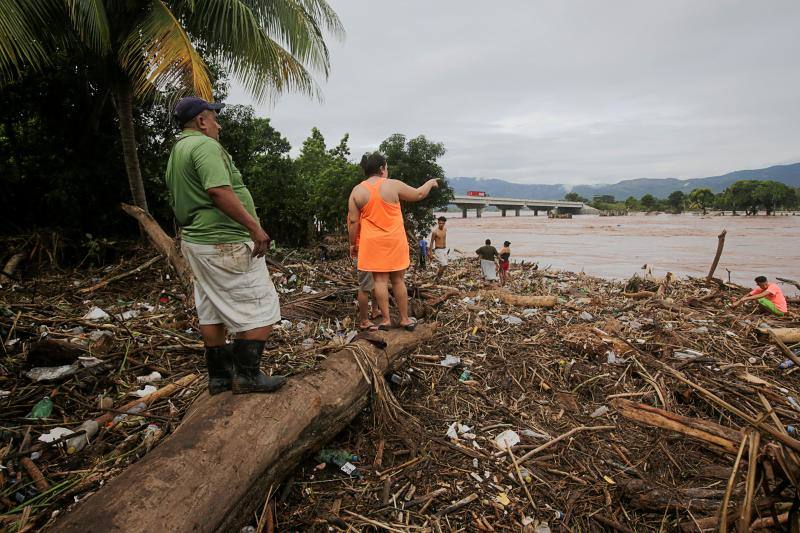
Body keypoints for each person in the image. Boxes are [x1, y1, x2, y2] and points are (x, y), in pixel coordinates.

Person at [165, 96, 285, 396]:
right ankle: (247, 376)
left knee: (211, 309)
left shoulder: (178, 149)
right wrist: (255, 227)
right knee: (264, 308)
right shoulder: (205, 146)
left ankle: (219, 378)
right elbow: (218, 191)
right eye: (214, 117)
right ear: (202, 121)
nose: (218, 124)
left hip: (197, 242)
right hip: (223, 242)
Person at [347, 152, 439, 331]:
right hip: (394, 240)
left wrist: (352, 244)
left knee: (379, 281)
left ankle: (386, 319)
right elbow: (419, 194)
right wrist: (430, 182)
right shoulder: (393, 185)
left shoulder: (357, 191)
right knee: (398, 280)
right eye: (386, 167)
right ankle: (405, 319)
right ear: (382, 168)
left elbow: (353, 222)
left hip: (371, 243)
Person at [430, 216, 448, 281]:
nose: (441, 224)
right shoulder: (435, 232)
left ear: (444, 223)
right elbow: (431, 243)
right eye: (439, 223)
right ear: (438, 223)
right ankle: (437, 278)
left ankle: (439, 277)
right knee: (444, 264)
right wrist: (430, 253)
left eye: (442, 223)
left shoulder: (445, 229)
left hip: (444, 249)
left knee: (445, 265)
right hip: (438, 250)